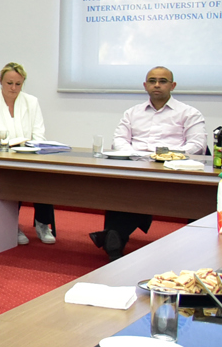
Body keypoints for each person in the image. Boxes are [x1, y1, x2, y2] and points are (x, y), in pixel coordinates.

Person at [89, 66, 207, 260]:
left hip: (173, 170)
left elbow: (197, 146)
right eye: (152, 81)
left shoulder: (189, 113)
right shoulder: (132, 113)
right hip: (137, 166)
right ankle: (114, 237)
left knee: (142, 192)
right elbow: (119, 140)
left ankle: (113, 235)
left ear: (173, 86)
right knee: (121, 187)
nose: (157, 85)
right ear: (145, 85)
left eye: (162, 81)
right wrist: (136, 156)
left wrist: (166, 156)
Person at [0, 62, 55, 245]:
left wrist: (32, 147)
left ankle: (42, 223)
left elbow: (39, 133)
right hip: (0, 157)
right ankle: (12, 225)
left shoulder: (31, 102)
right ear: (0, 81)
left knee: (45, 178)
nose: (13, 88)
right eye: (9, 83)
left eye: (18, 84)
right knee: (11, 180)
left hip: (27, 155)